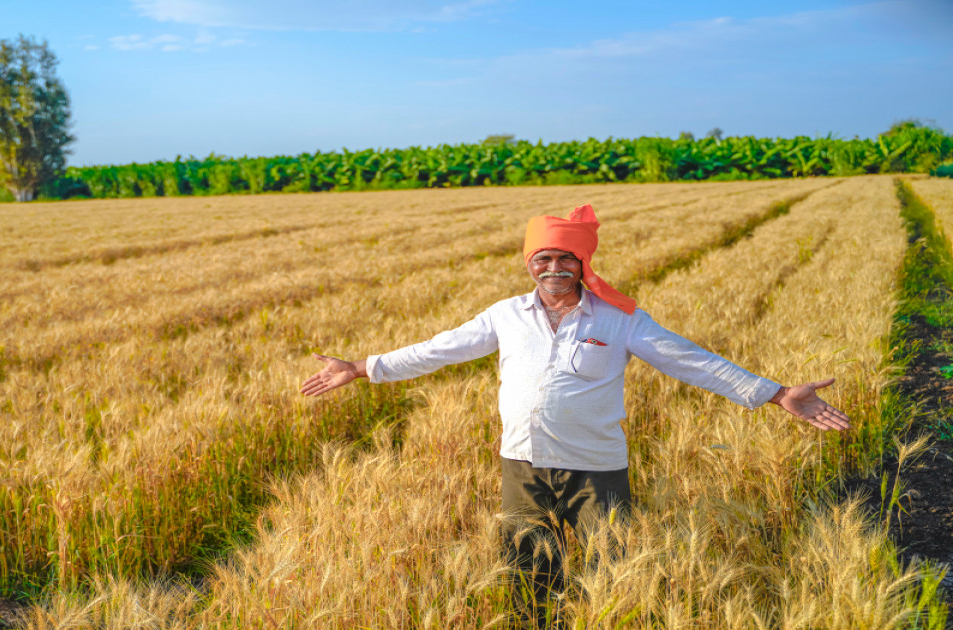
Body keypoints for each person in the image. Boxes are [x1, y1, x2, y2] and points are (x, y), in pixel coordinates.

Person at [299, 204, 851, 626]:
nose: (555, 268)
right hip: (523, 465)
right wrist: (365, 367)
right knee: (529, 576)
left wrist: (775, 394)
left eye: (567, 259)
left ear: (583, 264)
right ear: (530, 264)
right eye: (544, 259)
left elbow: (692, 361)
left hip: (597, 468)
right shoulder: (506, 315)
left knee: (615, 571)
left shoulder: (619, 319)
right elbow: (438, 349)